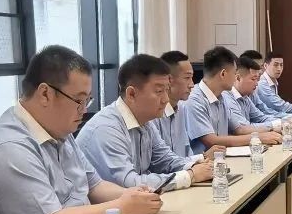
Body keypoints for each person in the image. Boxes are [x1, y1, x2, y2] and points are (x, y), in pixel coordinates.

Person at [0, 46, 161, 214]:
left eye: (87, 100)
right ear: (45, 94)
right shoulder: (8, 147)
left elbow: (95, 186)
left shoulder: (59, 132)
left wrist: (133, 196)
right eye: (78, 100)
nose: (83, 111)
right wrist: (122, 207)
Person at [77, 54, 221, 192]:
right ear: (131, 94)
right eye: (159, 91)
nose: (165, 99)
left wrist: (198, 165)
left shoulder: (146, 122)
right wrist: (190, 175)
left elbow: (165, 160)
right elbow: (128, 183)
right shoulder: (106, 129)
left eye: (166, 90)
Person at [183, 46, 278, 152]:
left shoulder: (222, 96)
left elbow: (239, 128)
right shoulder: (194, 100)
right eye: (234, 73)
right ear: (223, 74)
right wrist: (257, 138)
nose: (235, 78)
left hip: (223, 157)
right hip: (204, 160)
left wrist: (272, 129)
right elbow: (211, 141)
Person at [223, 56, 289, 140]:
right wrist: (275, 125)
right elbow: (243, 128)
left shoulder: (245, 97)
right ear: (238, 78)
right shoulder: (227, 97)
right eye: (253, 79)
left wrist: (285, 122)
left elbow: (261, 117)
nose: (257, 83)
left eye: (257, 79)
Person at [151, 50, 195, 157]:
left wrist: (200, 160)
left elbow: (186, 151)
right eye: (187, 78)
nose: (192, 85)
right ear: (169, 80)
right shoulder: (153, 115)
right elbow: (162, 161)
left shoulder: (181, 108)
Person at [238, 50, 292, 119]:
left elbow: (262, 113)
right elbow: (279, 106)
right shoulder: (261, 84)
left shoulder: (250, 93)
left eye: (261, 67)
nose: (261, 71)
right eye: (256, 67)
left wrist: (289, 118)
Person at [256, 51, 292, 117]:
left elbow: (277, 108)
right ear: (265, 66)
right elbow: (279, 106)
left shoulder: (273, 81)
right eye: (275, 65)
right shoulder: (262, 83)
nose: (279, 69)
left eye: (281, 65)